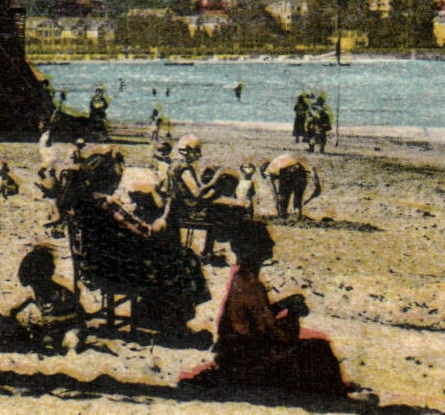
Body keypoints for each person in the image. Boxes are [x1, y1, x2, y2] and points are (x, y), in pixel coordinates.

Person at [182, 220, 351, 397]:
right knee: (318, 348)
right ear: (256, 248)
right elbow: (274, 334)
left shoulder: (243, 280)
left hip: (238, 355)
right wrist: (293, 315)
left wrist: (284, 305)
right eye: (267, 239)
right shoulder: (249, 285)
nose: (272, 243)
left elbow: (258, 316)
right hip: (248, 362)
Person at [61, 145, 209, 338]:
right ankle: (170, 321)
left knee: (168, 257)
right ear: (108, 180)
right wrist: (163, 218)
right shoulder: (107, 204)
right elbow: (145, 232)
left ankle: (153, 313)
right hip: (120, 270)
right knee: (184, 258)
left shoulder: (81, 204)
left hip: (96, 266)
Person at [1, 244, 85, 354]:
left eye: (36, 283)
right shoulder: (33, 294)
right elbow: (11, 312)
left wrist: (58, 320)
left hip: (64, 330)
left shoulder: (62, 293)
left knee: (71, 340)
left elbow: (80, 316)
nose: (35, 287)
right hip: (47, 333)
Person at [265, 154, 322, 219]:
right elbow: (312, 170)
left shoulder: (270, 169)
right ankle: (296, 214)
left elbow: (273, 191)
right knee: (297, 199)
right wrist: (317, 185)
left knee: (284, 198)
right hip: (300, 173)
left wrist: (277, 205)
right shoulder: (284, 160)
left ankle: (283, 215)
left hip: (291, 174)